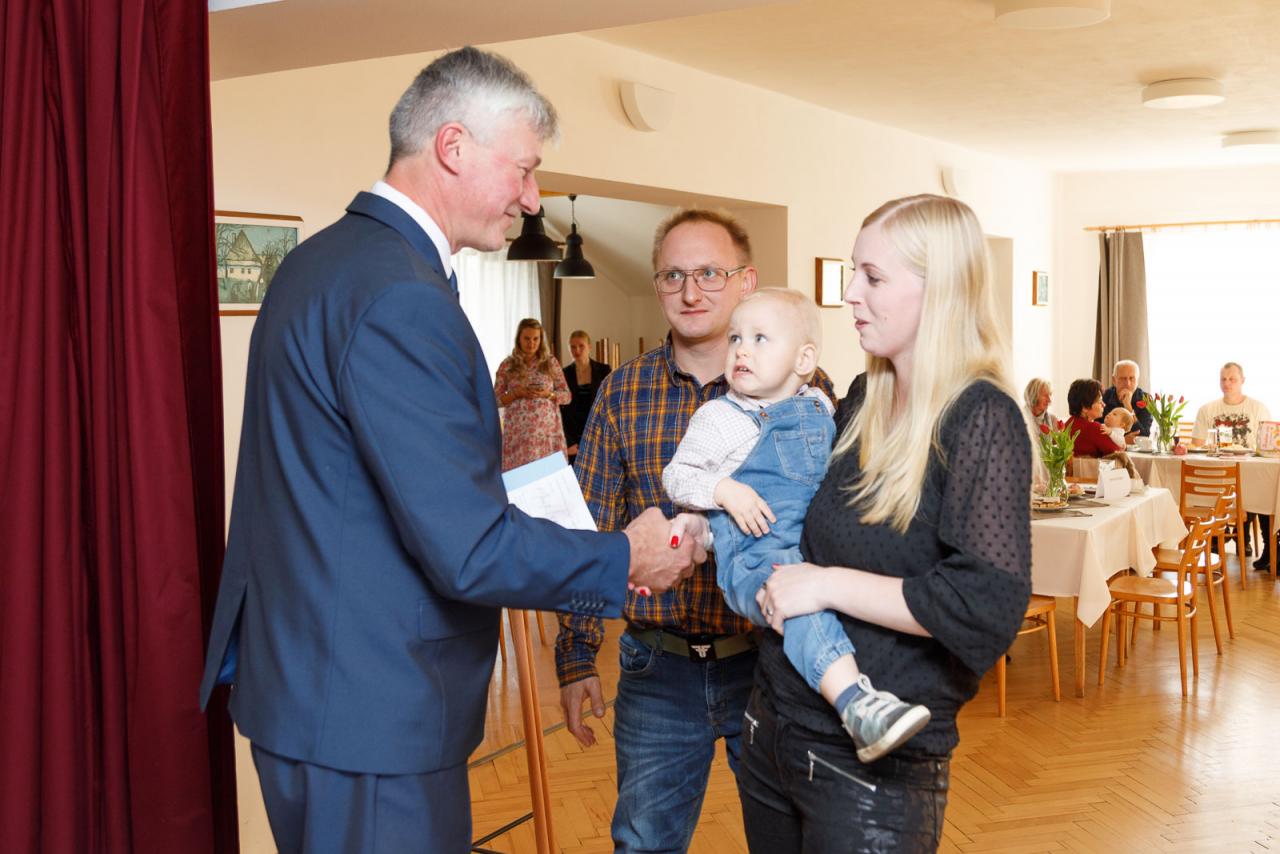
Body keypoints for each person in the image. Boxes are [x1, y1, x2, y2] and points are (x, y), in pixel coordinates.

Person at [197, 47, 701, 853]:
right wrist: (625, 557)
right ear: (453, 146)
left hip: (310, 687)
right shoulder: (403, 295)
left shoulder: (318, 262)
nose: (532, 199)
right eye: (525, 169)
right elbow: (467, 549)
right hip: (372, 712)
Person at [742, 194, 1032, 852]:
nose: (850, 293)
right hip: (773, 725)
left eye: (872, 277)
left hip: (871, 768)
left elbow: (984, 604)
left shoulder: (982, 418)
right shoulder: (864, 397)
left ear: (941, 291)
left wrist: (826, 584)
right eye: (855, 272)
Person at [554, 209, 835, 851]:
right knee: (644, 845)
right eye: (673, 275)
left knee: (793, 842)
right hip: (658, 669)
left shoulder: (808, 395)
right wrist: (575, 656)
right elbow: (590, 528)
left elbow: (838, 518)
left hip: (774, 664)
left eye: (710, 273)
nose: (690, 291)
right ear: (657, 285)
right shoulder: (623, 393)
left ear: (746, 281)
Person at [663, 288, 930, 763]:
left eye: (760, 339)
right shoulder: (721, 417)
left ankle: (870, 687)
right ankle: (856, 705)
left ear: (804, 359)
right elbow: (677, 476)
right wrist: (725, 491)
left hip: (808, 549)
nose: (742, 350)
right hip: (757, 559)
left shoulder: (820, 405)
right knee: (798, 601)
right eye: (735, 338)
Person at [1191, 361, 1273, 569]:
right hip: (1217, 474)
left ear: (1242, 381)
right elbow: (1197, 445)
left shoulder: (1258, 408)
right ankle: (1216, 537)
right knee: (1212, 487)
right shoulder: (1207, 409)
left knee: (1265, 490)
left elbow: (1268, 444)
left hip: (1250, 473)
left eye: (1232, 379)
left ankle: (1270, 550)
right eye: (1223, 379)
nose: (1227, 383)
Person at [493, 317, 571, 470]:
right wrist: (516, 393)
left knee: (547, 477)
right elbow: (495, 400)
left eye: (536, 338)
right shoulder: (507, 365)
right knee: (520, 478)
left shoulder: (550, 362)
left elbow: (567, 396)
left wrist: (548, 394)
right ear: (519, 339)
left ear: (541, 340)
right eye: (527, 338)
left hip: (547, 435)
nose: (531, 343)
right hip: (518, 436)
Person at [559, 329, 611, 464]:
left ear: (589, 347)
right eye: (573, 347)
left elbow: (610, 404)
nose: (577, 350)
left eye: (581, 346)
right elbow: (561, 412)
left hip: (598, 433)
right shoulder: (563, 374)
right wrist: (569, 442)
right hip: (574, 438)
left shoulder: (604, 370)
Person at [1066, 378, 1124, 457]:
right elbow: (1119, 453)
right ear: (1085, 407)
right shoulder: (1093, 428)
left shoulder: (1068, 424)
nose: (1104, 404)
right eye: (1099, 401)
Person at [1101, 359, 1152, 443]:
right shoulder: (1104, 397)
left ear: (1137, 380)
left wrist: (1128, 407)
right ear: (1114, 380)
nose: (1128, 383)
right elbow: (1098, 431)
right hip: (1109, 448)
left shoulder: (1146, 399)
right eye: (1123, 379)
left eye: (1132, 378)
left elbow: (1144, 435)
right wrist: (1123, 440)